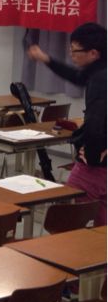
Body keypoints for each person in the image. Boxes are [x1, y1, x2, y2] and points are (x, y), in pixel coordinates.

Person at [28, 23, 106, 223]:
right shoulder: (98, 70)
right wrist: (46, 59)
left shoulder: (100, 79)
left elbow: (97, 122)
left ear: (93, 53)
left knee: (66, 219)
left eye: (75, 51)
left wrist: (92, 153)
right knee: (102, 221)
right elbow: (77, 77)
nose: (71, 55)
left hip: (95, 166)